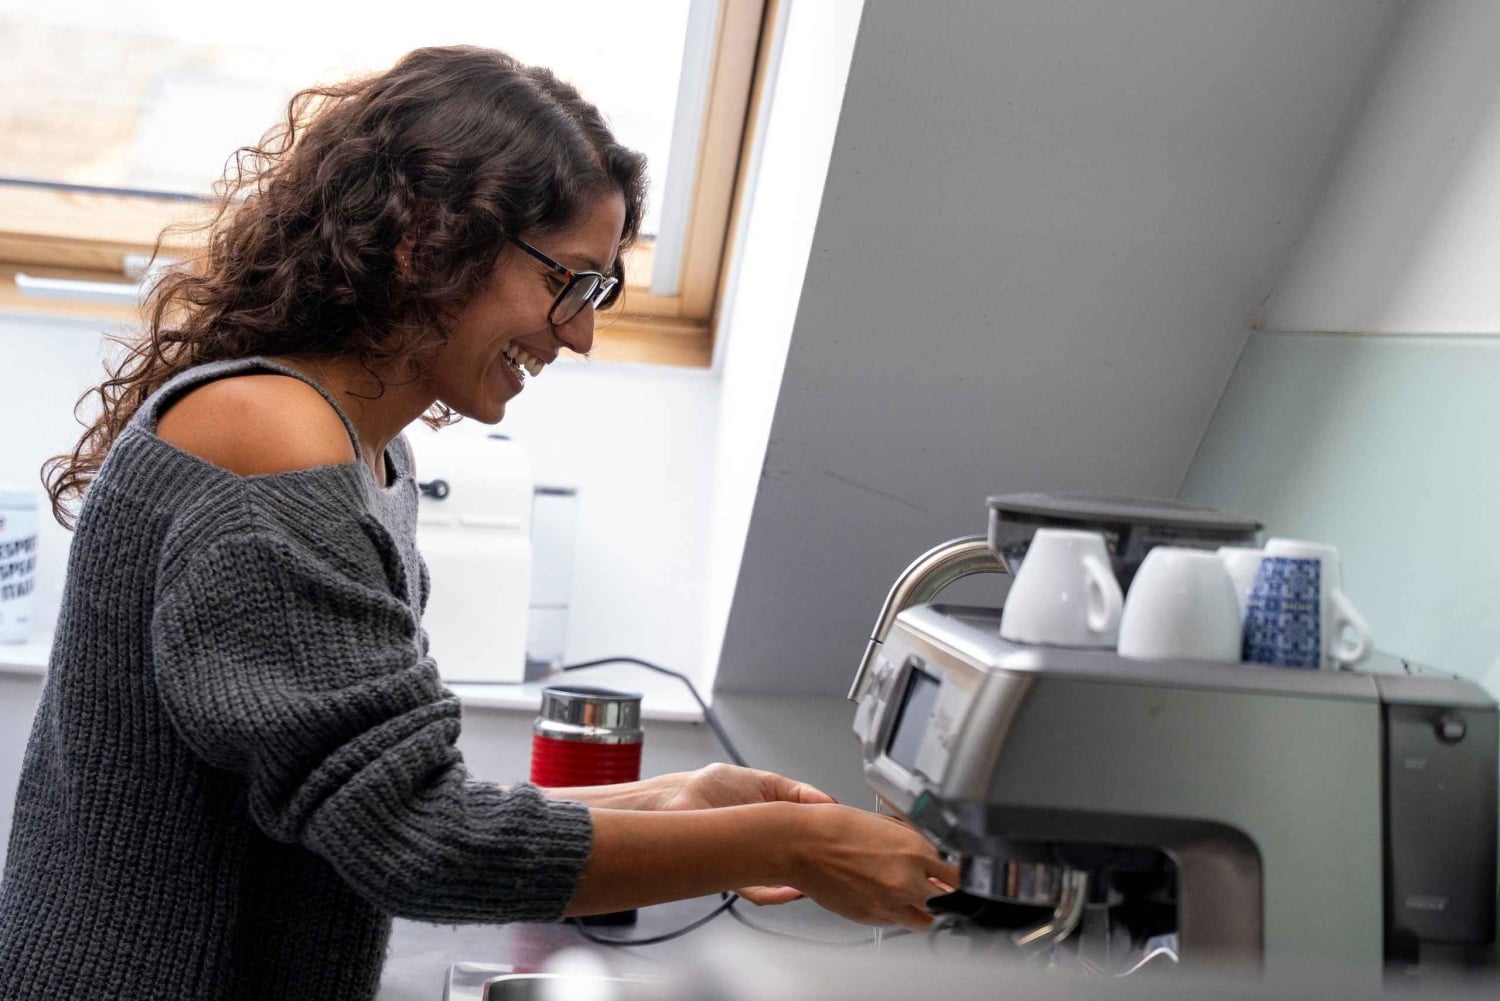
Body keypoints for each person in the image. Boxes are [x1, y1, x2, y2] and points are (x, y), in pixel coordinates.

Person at [0, 46, 956, 1000]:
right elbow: (416, 840)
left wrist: (678, 798)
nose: (579, 332)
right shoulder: (268, 437)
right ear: (427, 240)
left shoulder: (370, 457)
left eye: (597, 293)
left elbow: (380, 797)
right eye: (570, 281)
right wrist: (782, 841)